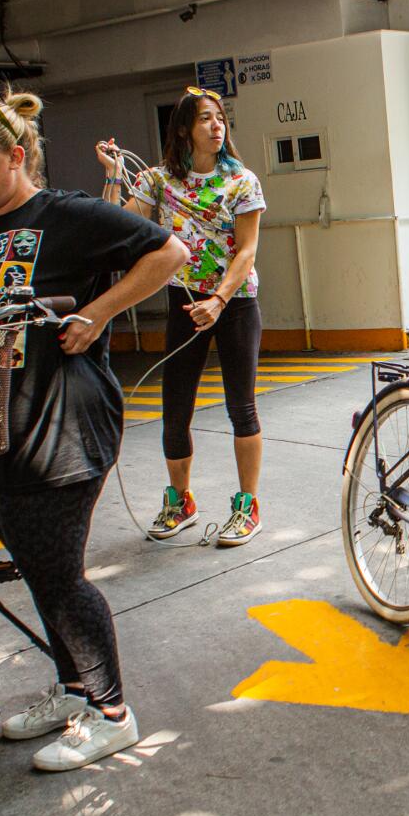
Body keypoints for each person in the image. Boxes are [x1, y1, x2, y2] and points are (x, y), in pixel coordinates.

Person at [0, 90, 187, 772]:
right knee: (42, 571)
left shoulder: (64, 215)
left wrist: (100, 312)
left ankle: (112, 712)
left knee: (59, 574)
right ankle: (74, 689)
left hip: (63, 425)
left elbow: (170, 251)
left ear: (16, 155)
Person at [96, 88, 266, 547]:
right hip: (183, 301)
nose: (216, 126)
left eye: (220, 118)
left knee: (241, 407)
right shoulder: (157, 181)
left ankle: (247, 505)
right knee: (175, 410)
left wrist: (220, 300)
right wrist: (114, 175)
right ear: (184, 130)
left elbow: (247, 250)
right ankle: (181, 501)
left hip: (234, 303)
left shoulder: (242, 181)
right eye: (206, 119)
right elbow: (113, 222)